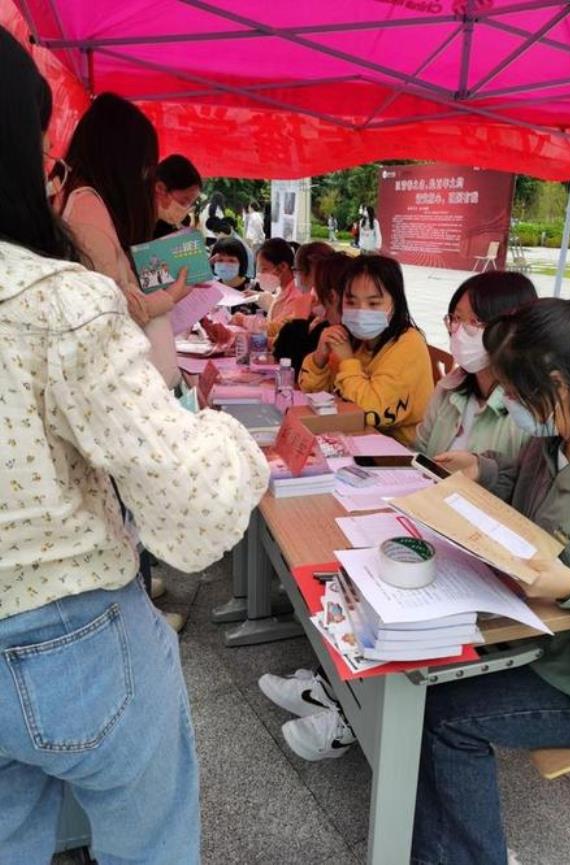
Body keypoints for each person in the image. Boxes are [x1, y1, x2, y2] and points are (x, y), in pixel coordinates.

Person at [0, 27, 269, 865]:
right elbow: (190, 506)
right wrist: (227, 433)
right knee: (148, 843)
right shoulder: (54, 299)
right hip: (73, 631)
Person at [411, 281, 570, 865]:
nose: (509, 405)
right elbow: (531, 493)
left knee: (444, 717)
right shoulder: (561, 437)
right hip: (553, 641)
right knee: (419, 674)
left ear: (560, 386)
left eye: (516, 393)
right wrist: (486, 471)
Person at [58, 92, 189, 389]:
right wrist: (170, 296)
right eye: (144, 166)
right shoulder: (87, 208)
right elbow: (114, 306)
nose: (145, 176)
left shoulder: (85, 201)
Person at [299, 254, 433, 446]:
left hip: (400, 450)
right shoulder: (358, 339)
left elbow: (372, 412)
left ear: (395, 303)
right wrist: (319, 358)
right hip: (356, 438)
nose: (361, 311)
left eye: (374, 303)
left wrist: (347, 362)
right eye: (352, 302)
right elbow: (315, 394)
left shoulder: (408, 343)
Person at [415, 271, 538, 460]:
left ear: (513, 331)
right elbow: (419, 450)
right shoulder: (449, 387)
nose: (459, 333)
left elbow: (517, 484)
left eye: (476, 322)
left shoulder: (528, 415)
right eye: (456, 318)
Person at [274, 252, 351, 373]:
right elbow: (279, 352)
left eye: (317, 286)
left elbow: (291, 367)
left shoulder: (340, 332)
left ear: (332, 296)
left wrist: (299, 321)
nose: (313, 294)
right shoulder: (322, 324)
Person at [153, 154, 202, 239]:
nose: (185, 210)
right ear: (160, 188)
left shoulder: (170, 229)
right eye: (184, 201)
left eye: (190, 204)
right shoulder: (130, 222)